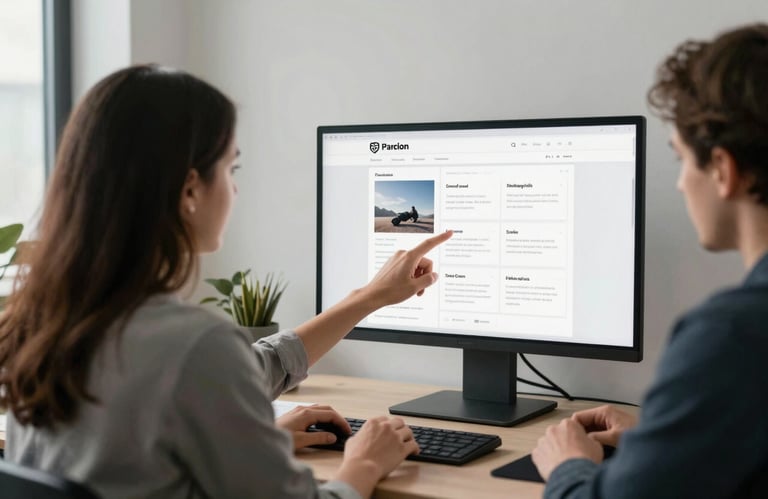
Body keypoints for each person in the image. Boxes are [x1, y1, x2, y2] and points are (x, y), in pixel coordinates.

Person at [0, 65, 452, 499]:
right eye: (230, 169)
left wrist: (369, 297)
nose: (234, 190)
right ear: (190, 190)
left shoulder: (47, 324)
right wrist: (365, 463)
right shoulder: (193, 345)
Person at [533, 23, 768, 498]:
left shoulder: (733, 335)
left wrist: (568, 467)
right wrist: (659, 439)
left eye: (681, 159)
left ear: (723, 170)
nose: (681, 184)